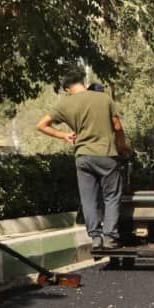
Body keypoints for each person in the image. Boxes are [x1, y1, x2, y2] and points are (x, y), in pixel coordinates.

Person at [36, 67, 131, 250]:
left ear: (67, 89)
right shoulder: (104, 98)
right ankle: (110, 236)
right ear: (84, 83)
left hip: (83, 157)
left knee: (88, 198)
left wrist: (63, 135)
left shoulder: (64, 104)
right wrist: (122, 146)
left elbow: (41, 125)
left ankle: (95, 238)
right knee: (111, 196)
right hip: (106, 155)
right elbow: (117, 126)